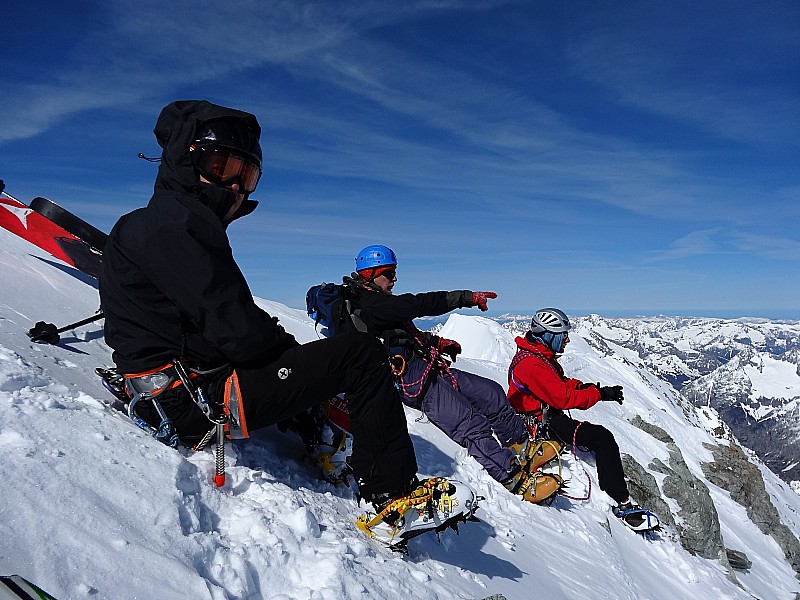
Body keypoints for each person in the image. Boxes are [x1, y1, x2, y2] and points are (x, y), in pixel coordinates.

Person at [98, 100, 477, 547]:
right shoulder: (174, 225)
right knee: (359, 354)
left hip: (171, 392)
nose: (237, 186)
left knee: (300, 357)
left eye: (248, 176)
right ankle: (394, 496)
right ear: (187, 160)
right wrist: (289, 354)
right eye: (223, 168)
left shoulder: (163, 223)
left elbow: (212, 316)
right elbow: (238, 333)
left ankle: (316, 431)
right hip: (196, 403)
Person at [333, 244, 561, 504]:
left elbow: (398, 333)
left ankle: (521, 444)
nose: (395, 279)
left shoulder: (378, 302)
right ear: (371, 273)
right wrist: (465, 298)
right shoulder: (372, 303)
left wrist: (436, 342)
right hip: (411, 379)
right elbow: (419, 304)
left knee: (491, 392)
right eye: (390, 273)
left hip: (425, 365)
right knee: (469, 423)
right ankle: (514, 478)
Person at [507, 307, 660, 531]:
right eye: (563, 335)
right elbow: (562, 398)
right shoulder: (532, 364)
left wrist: (591, 389)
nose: (567, 340)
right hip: (539, 424)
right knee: (602, 438)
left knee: (599, 437)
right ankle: (621, 502)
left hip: (540, 416)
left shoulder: (537, 356)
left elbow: (559, 383)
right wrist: (598, 394)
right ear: (548, 335)